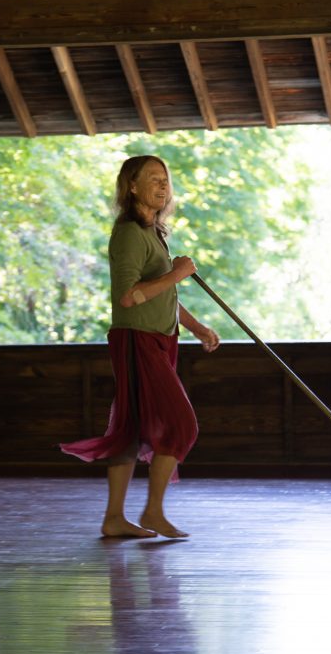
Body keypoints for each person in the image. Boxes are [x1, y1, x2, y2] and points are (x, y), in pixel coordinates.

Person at [61, 155, 220, 539]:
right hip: (137, 340)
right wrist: (178, 273)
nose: (163, 186)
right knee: (181, 424)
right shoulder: (130, 233)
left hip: (161, 340)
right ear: (131, 186)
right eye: (153, 179)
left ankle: (114, 518)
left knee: (130, 429)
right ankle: (152, 511)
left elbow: (160, 295)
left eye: (165, 179)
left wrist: (196, 327)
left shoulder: (154, 233)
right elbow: (130, 298)